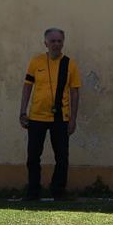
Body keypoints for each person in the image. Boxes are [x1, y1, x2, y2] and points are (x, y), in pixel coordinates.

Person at [19, 27, 81, 200]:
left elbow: (75, 92)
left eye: (59, 41)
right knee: (33, 157)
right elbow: (27, 86)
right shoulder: (36, 61)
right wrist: (22, 112)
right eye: (52, 41)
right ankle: (33, 192)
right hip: (36, 116)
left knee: (62, 157)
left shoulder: (70, 64)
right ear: (45, 43)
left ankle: (58, 192)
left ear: (63, 43)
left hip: (61, 117)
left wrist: (73, 119)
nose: (56, 44)